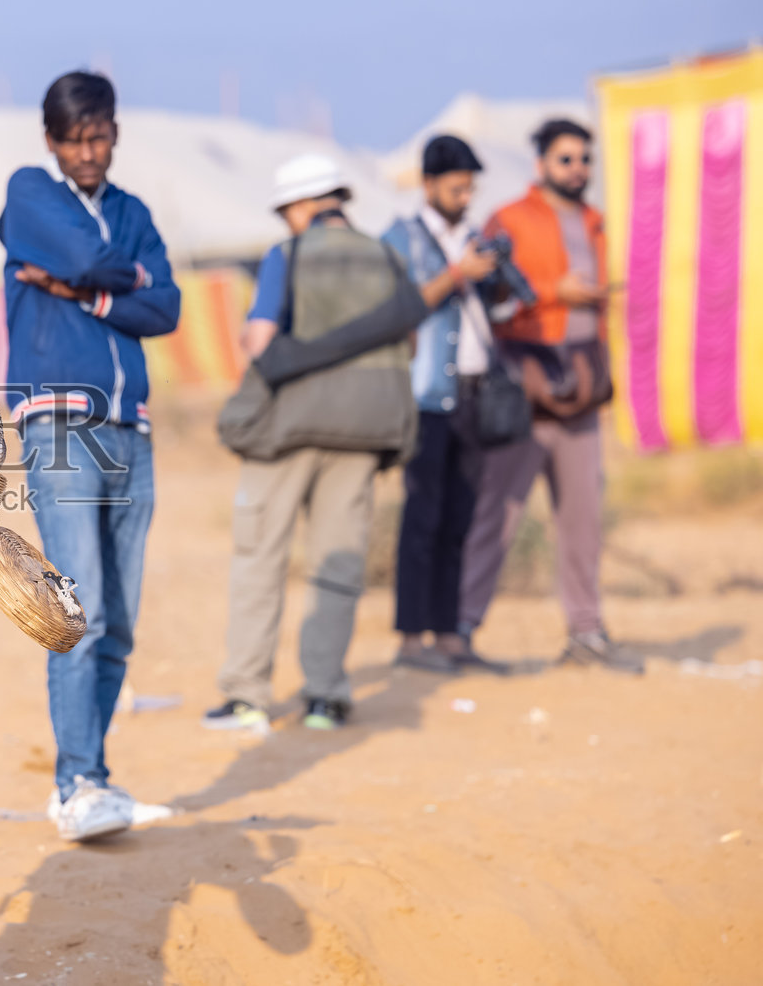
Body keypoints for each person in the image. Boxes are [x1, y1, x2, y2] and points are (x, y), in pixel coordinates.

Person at [204, 154, 474, 734]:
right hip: (363, 434)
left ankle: (247, 695)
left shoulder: (288, 255)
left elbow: (260, 341)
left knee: (261, 559)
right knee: (338, 565)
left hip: (287, 432)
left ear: (303, 206)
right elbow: (407, 345)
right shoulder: (387, 258)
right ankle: (325, 697)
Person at [0, 71, 181, 841]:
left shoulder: (133, 210)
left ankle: (93, 778)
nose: (87, 152)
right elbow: (87, 254)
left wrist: (87, 292)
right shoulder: (29, 192)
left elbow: (167, 305)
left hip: (130, 426)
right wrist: (119, 273)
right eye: (73, 139)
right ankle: (73, 784)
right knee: (82, 609)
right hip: (61, 422)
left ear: (115, 133)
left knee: (121, 622)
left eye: (98, 136)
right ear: (51, 140)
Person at [458, 119, 643, 674]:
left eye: (585, 159)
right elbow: (490, 294)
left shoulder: (596, 222)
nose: (577, 169)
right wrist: (551, 292)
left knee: (583, 517)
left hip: (583, 385)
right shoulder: (510, 220)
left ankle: (586, 632)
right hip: (526, 385)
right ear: (540, 165)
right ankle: (458, 631)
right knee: (498, 513)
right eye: (566, 159)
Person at [381, 136, 509, 674]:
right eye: (456, 188)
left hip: (474, 395)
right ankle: (412, 639)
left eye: (470, 189)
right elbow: (398, 309)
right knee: (422, 518)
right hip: (425, 396)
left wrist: (498, 277)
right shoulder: (401, 239)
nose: (464, 198)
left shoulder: (476, 237)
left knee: (462, 518)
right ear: (429, 184)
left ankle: (451, 636)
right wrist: (458, 275)